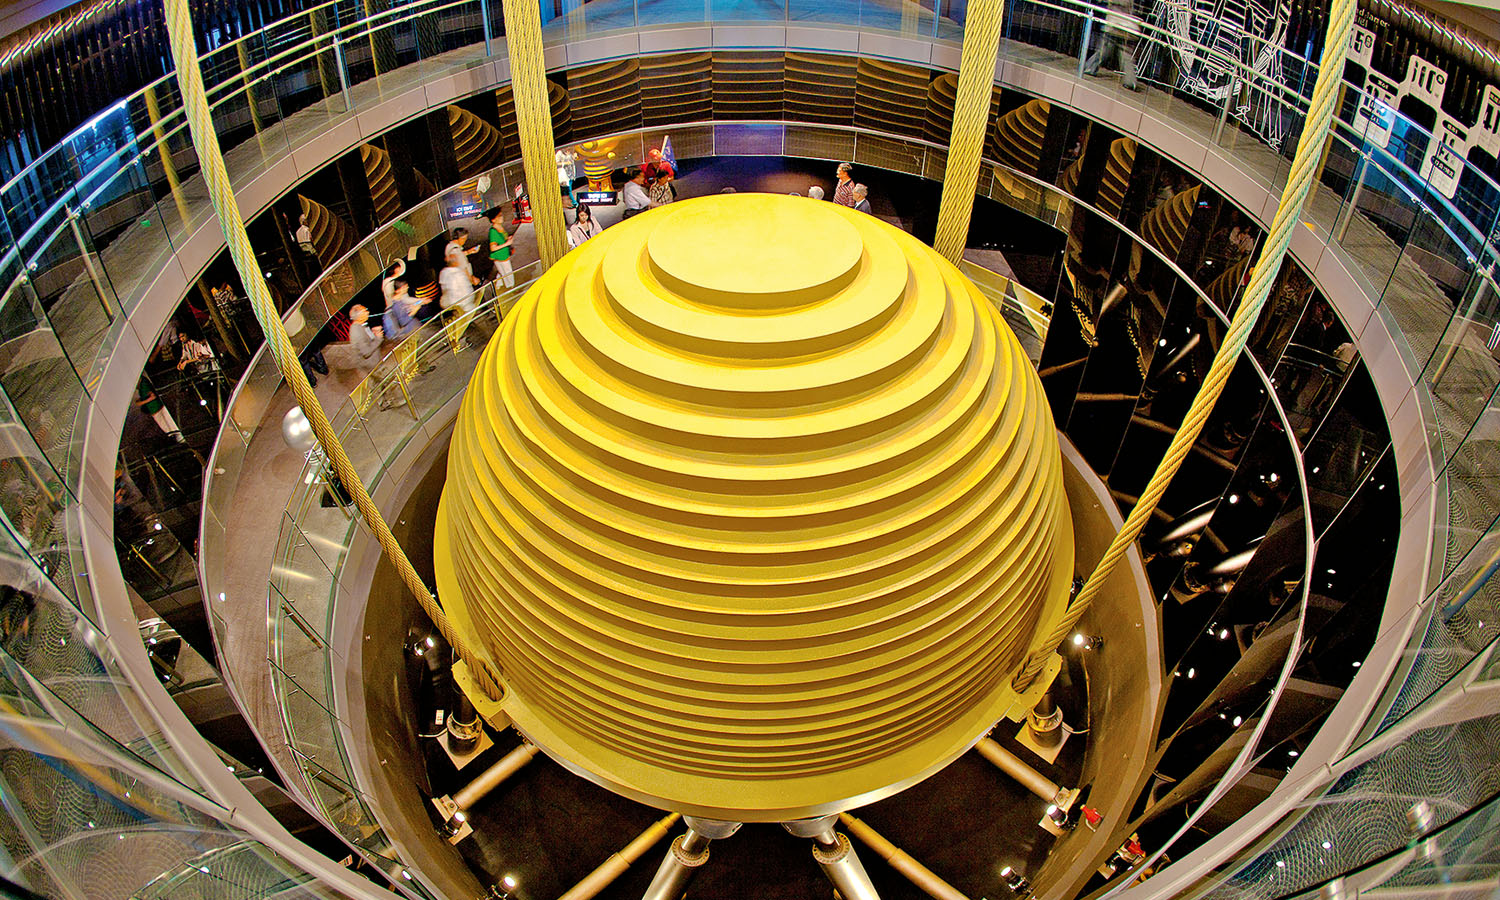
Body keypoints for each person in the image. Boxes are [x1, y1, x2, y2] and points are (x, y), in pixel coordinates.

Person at [1083, 0, 1142, 91]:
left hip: (1117, 25)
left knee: (1104, 50)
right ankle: (1130, 82)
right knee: (1124, 55)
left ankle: (1090, 68)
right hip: (1125, 27)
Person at [484, 208, 515, 288]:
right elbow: (493, 248)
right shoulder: (493, 232)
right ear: (493, 220)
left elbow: (502, 238)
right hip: (500, 256)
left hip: (503, 254)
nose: (502, 217)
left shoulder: (500, 227)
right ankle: (510, 287)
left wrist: (507, 239)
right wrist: (507, 243)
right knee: (507, 272)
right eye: (499, 216)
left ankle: (499, 285)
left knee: (502, 271)